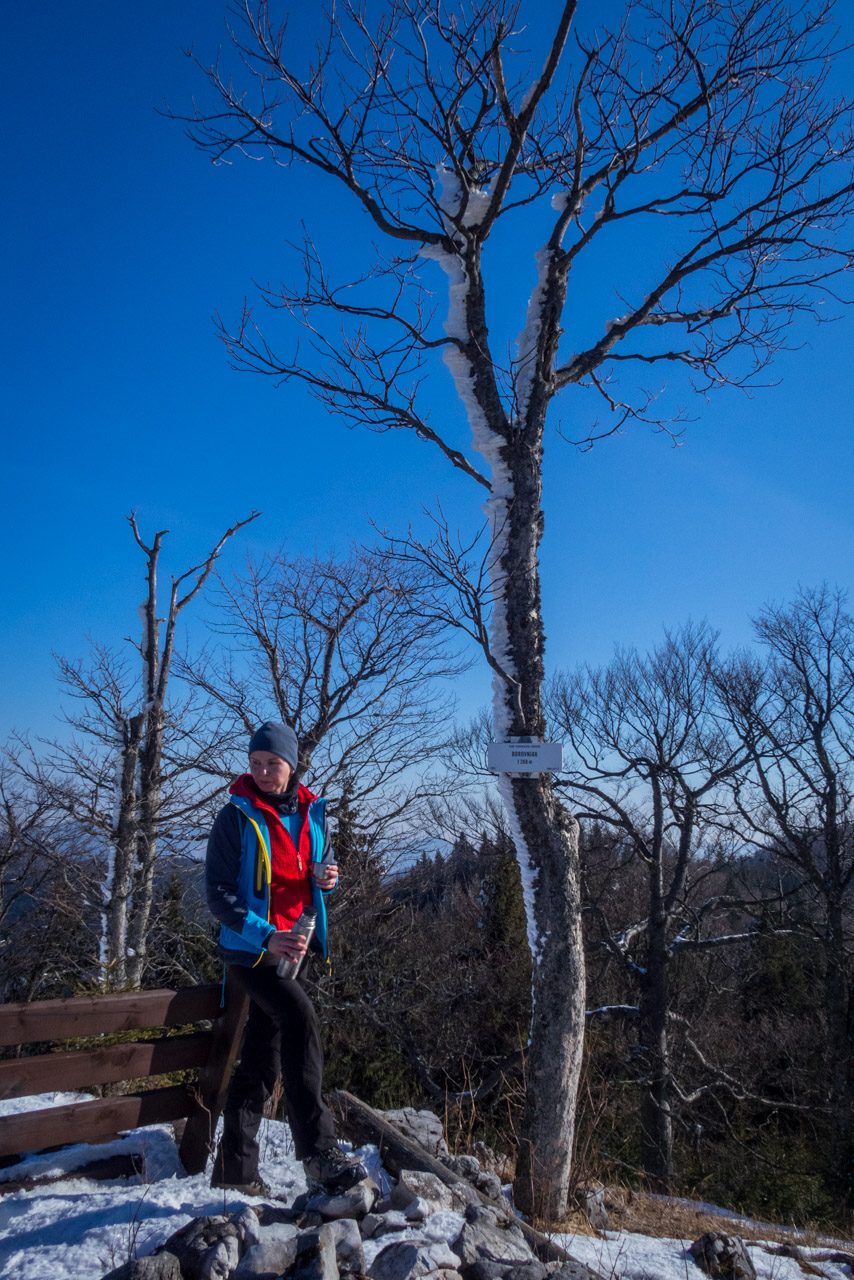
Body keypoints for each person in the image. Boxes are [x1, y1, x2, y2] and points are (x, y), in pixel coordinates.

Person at [205, 720, 367, 1197]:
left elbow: (319, 866)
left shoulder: (312, 813)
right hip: (250, 952)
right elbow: (217, 896)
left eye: (271, 763)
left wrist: (327, 876)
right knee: (300, 1018)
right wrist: (266, 937)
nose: (261, 771)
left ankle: (234, 1172)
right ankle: (318, 1154)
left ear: (291, 765)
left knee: (260, 1058)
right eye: (255, 763)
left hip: (293, 948)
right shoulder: (234, 818)